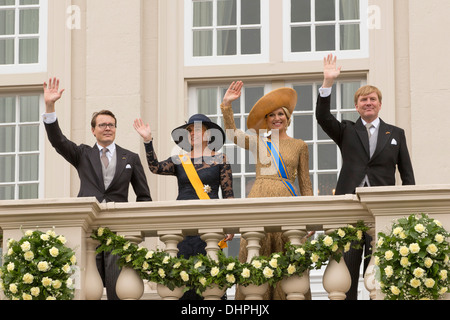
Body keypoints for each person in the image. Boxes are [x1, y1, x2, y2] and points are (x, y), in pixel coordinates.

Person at [316, 54, 415, 299]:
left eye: (372, 99)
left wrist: (407, 209)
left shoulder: (396, 134)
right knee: (345, 273)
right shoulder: (347, 130)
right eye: (363, 100)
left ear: (379, 104)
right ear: (357, 106)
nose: (368, 103)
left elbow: (407, 173)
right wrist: (327, 82)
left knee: (379, 275)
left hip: (381, 211)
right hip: (349, 210)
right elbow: (322, 117)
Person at [43, 78, 152, 300]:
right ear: (93, 130)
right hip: (88, 229)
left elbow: (144, 196)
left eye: (111, 124)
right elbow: (58, 141)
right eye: (102, 125)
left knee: (117, 289)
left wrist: (139, 230)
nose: (107, 128)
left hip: (117, 233)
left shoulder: (130, 157)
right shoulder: (82, 154)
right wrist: (50, 107)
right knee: (83, 289)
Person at [221, 81, 313, 300]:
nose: (276, 118)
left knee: (288, 264)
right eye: (271, 115)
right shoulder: (258, 142)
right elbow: (233, 134)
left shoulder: (300, 145)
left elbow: (305, 183)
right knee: (255, 258)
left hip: (288, 203)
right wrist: (226, 105)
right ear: (266, 120)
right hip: (260, 200)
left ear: (287, 117)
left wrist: (310, 217)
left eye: (280, 114)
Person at [133, 114, 234, 299]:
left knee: (210, 279)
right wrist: (148, 141)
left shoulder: (220, 159)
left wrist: (230, 224)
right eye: (189, 130)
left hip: (209, 224)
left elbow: (228, 195)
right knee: (184, 278)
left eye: (197, 129)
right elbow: (155, 167)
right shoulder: (180, 160)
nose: (192, 133)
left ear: (208, 134)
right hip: (183, 225)